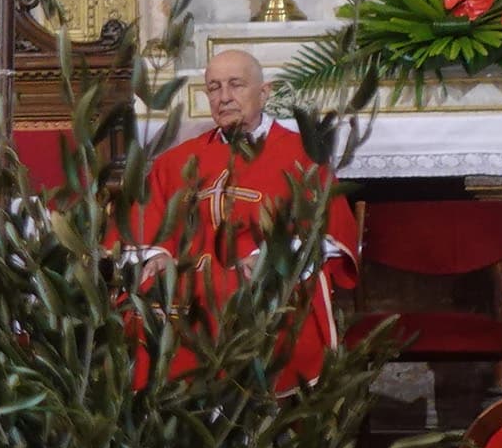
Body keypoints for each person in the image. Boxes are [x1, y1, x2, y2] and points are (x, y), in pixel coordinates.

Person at [132, 48, 359, 390]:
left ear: (264, 92)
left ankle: (258, 421)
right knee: (146, 295)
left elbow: (328, 227)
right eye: (214, 88)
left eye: (236, 85)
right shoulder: (177, 161)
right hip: (191, 276)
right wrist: (157, 253)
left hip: (262, 276)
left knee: (248, 294)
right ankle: (177, 418)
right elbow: (146, 217)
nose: (224, 98)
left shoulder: (302, 154)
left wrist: (275, 255)